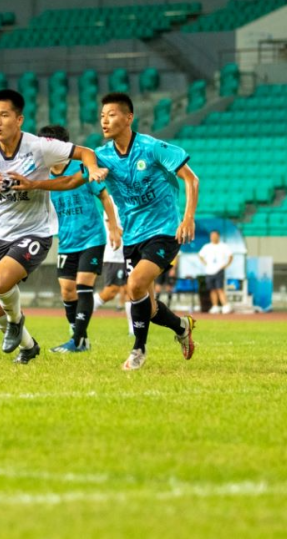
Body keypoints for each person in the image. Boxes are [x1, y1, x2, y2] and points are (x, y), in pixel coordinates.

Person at [0, 89, 107, 365]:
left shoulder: (39, 146)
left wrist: (91, 170)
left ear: (19, 120)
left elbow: (86, 153)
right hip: (0, 234)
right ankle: (29, 346)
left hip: (36, 231)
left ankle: (17, 322)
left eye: (4, 115)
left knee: (1, 282)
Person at [95, 93, 199, 371]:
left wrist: (188, 218)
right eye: (102, 115)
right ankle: (181, 327)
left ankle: (138, 350)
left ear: (129, 118)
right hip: (132, 236)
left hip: (164, 230)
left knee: (135, 284)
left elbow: (191, 178)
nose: (105, 120)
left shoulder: (152, 148)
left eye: (112, 114)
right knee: (148, 308)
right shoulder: (101, 156)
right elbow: (74, 174)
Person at [39, 124, 122, 354]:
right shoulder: (42, 176)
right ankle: (80, 337)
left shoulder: (82, 167)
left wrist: (113, 228)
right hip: (66, 240)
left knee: (83, 286)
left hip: (91, 238)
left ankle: (76, 342)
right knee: (67, 290)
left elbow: (104, 196)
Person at [97, 212, 128, 313]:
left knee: (131, 290)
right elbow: (111, 226)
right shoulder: (112, 201)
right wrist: (133, 234)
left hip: (128, 254)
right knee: (111, 291)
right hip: (114, 256)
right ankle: (82, 312)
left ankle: (133, 328)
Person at [198, 230, 233, 314]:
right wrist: (205, 263)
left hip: (219, 270)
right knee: (212, 289)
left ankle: (225, 305)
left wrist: (226, 265)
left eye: (214, 235)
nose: (213, 237)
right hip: (209, 271)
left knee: (219, 288)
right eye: (211, 236)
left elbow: (230, 256)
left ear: (218, 236)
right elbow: (200, 255)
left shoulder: (223, 246)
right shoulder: (207, 246)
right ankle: (215, 306)